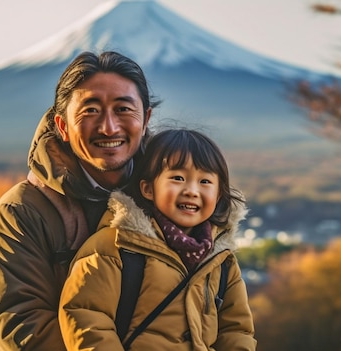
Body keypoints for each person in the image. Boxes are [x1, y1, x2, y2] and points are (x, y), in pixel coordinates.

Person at [0, 51, 160, 350]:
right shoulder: (22, 212)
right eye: (90, 110)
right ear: (62, 126)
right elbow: (23, 328)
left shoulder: (174, 197)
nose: (109, 127)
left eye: (123, 109)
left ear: (146, 120)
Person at [58, 128, 257, 350]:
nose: (192, 190)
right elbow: (87, 319)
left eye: (205, 182)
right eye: (178, 178)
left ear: (218, 195)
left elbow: (237, 330)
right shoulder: (115, 246)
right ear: (148, 189)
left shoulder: (222, 261)